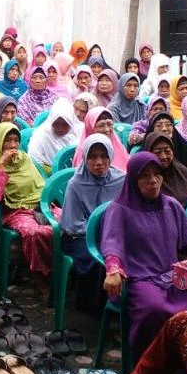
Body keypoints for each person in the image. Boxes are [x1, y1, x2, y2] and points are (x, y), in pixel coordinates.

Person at [101, 151, 187, 358]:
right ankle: (153, 366)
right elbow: (112, 244)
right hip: (140, 279)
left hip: (173, 276)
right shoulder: (120, 210)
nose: (152, 181)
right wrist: (113, 270)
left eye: (157, 174)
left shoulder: (171, 206)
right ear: (133, 179)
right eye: (144, 176)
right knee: (154, 309)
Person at [0, 123, 54, 285]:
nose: (13, 145)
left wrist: (44, 206)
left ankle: (58, 269)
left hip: (36, 205)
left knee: (64, 224)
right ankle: (41, 275)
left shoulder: (24, 159)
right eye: (8, 141)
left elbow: (40, 185)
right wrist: (1, 167)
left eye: (16, 140)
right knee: (33, 232)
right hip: (13, 210)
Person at [61, 134, 125, 313]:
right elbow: (72, 224)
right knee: (96, 261)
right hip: (79, 236)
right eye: (93, 157)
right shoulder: (76, 184)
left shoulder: (121, 179)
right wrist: (99, 231)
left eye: (104, 156)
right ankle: (95, 307)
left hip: (112, 234)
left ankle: (123, 303)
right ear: (85, 158)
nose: (99, 162)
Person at [142, 132, 187, 206]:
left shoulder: (182, 171)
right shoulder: (145, 179)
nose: (163, 156)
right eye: (157, 152)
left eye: (167, 151)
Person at [28, 98, 78, 172]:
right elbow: (33, 159)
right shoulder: (42, 135)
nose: (60, 128)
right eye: (56, 123)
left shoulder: (78, 133)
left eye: (65, 124)